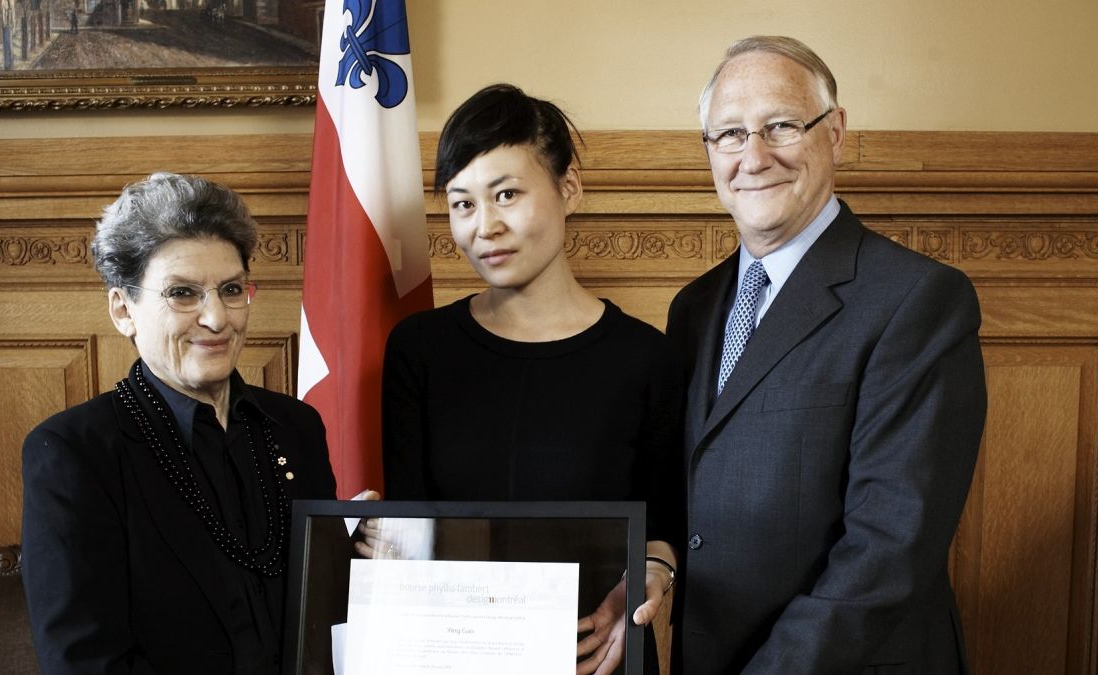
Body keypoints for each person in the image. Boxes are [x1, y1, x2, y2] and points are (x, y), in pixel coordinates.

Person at [666, 36, 987, 674]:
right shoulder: (693, 308)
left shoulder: (919, 300)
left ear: (835, 133)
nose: (752, 157)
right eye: (729, 133)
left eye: (780, 126)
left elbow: (889, 549)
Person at [381, 83, 685, 675]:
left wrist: (652, 573)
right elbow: (411, 526)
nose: (484, 226)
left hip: (595, 655)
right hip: (449, 653)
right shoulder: (419, 349)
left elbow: (667, 524)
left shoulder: (649, 358)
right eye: (463, 203)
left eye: (507, 194)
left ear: (568, 188)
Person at [22, 172, 340, 674]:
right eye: (183, 293)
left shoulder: (297, 428)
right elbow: (84, 663)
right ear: (123, 309)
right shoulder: (73, 452)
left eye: (231, 289)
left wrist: (352, 551)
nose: (217, 318)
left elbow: (322, 620)